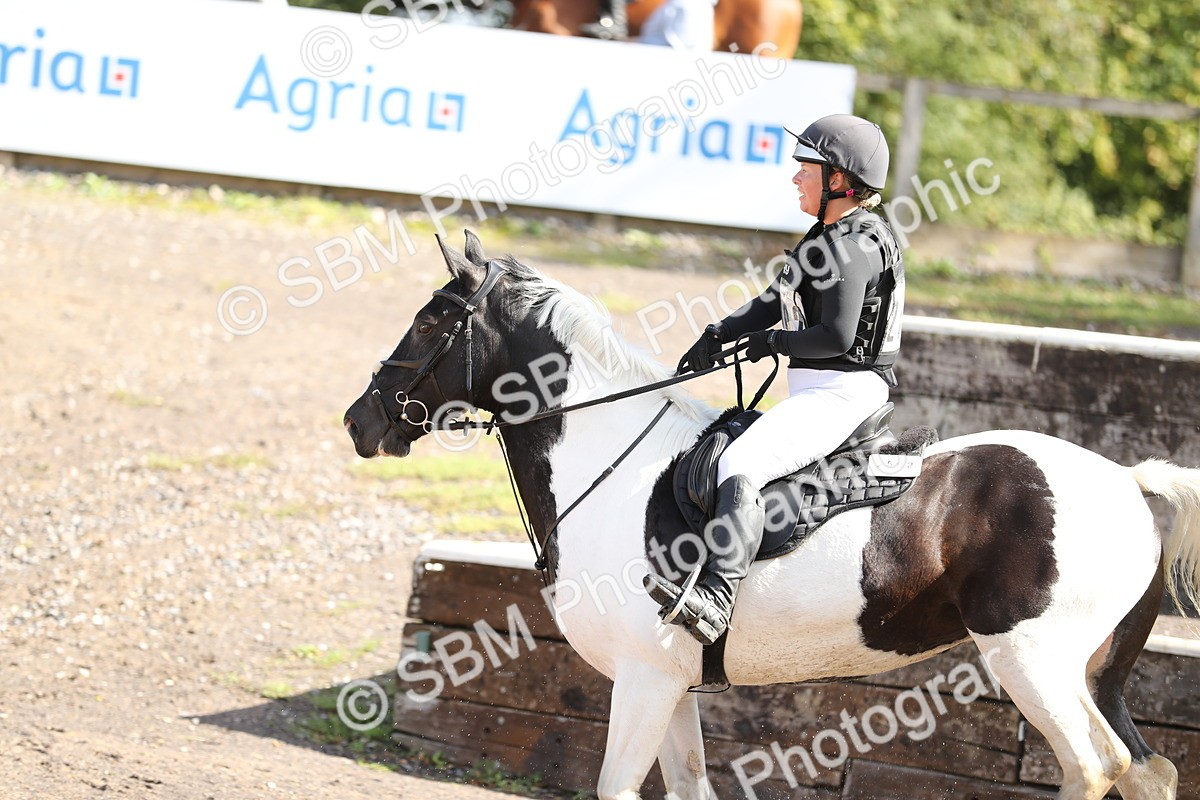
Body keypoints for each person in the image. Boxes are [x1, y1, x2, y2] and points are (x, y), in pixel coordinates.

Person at [644, 113, 906, 646]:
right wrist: (721, 333)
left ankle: (717, 598)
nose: (796, 178)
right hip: (822, 389)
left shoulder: (854, 245)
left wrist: (773, 343)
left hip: (843, 392)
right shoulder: (830, 234)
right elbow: (776, 300)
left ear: (838, 179)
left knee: (740, 462)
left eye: (806, 169)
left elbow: (836, 337)